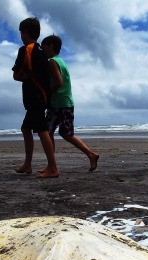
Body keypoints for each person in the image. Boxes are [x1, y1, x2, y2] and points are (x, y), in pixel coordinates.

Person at [40, 34, 99, 172]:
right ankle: (91, 155)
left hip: (57, 103)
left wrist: (46, 93)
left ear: (50, 46)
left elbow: (58, 82)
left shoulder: (52, 62)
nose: (42, 49)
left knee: (47, 133)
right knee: (65, 134)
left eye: (44, 46)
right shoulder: (62, 61)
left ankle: (51, 165)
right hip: (66, 103)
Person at [12, 17, 59, 178]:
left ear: (25, 33)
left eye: (21, 32)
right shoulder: (41, 51)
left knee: (42, 130)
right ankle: (27, 165)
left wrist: (24, 76)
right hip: (43, 96)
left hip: (34, 96)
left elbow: (16, 76)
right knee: (26, 128)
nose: (20, 36)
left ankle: (53, 168)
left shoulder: (25, 50)